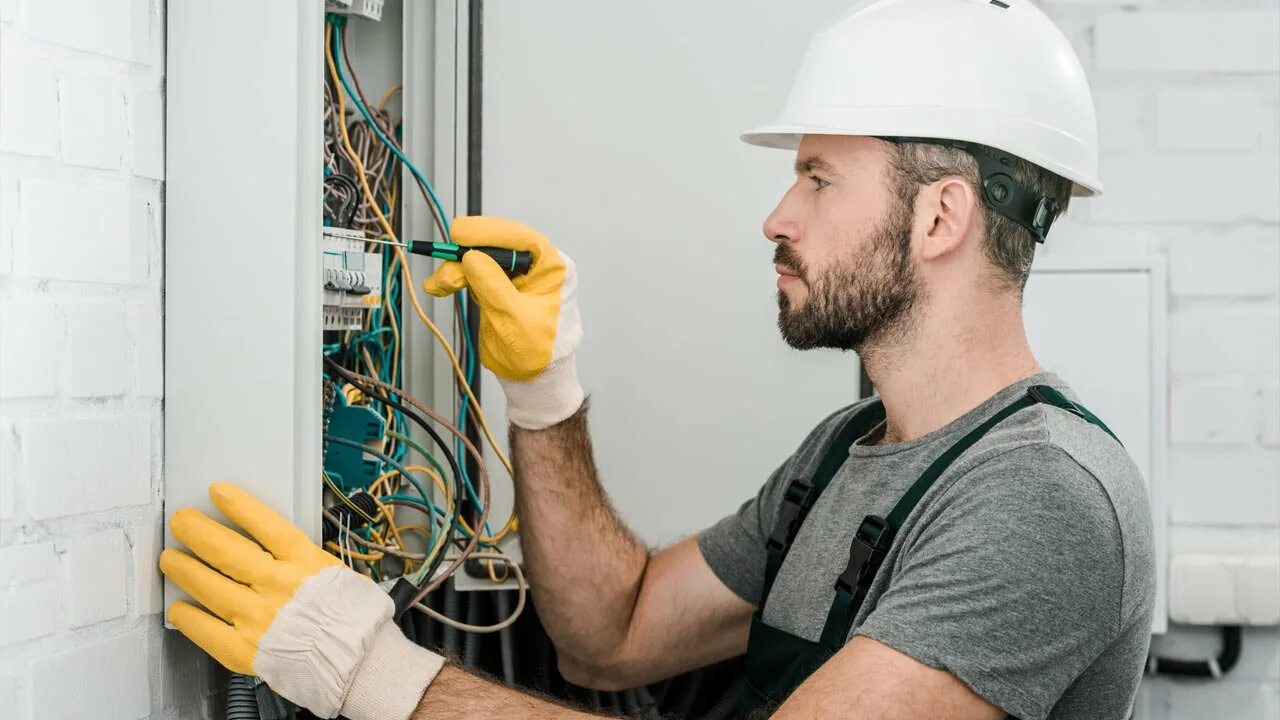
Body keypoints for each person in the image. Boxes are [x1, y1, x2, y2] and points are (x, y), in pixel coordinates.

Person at [160, 1, 1156, 718]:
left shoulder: (1041, 499)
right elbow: (615, 634)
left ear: (939, 216)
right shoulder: (848, 452)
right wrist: (544, 392)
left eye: (816, 178)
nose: (777, 216)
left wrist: (368, 673)